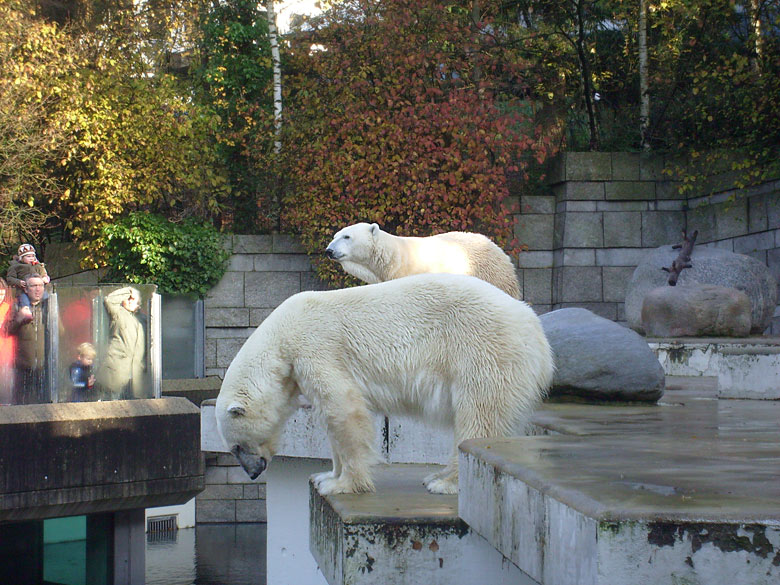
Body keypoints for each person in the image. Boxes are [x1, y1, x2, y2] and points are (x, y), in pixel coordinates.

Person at [95, 286, 147, 399]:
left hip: (133, 375)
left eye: (132, 300)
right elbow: (109, 300)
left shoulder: (140, 322)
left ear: (138, 305)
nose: (129, 300)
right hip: (115, 369)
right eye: (128, 298)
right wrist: (129, 291)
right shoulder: (118, 313)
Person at [7, 273, 48, 404]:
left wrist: (53, 317)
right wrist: (19, 318)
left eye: (40, 285)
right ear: (26, 289)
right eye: (34, 286)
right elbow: (5, 331)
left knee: (43, 407)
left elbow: (62, 333)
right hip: (22, 368)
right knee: (21, 407)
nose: (38, 289)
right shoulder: (16, 306)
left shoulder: (48, 306)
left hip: (44, 369)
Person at [6, 244, 50, 311]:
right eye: (28, 256)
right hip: (23, 291)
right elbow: (10, 278)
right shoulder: (15, 267)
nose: (31, 258)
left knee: (46, 298)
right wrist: (19, 282)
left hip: (38, 290)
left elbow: (44, 275)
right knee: (25, 304)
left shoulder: (38, 266)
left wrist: (44, 278)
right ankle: (26, 318)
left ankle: (45, 315)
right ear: (21, 258)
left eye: (33, 256)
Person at [0, 278, 15, 403]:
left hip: (6, 355)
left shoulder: (9, 308)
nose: (0, 297)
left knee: (5, 389)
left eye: (2, 293)